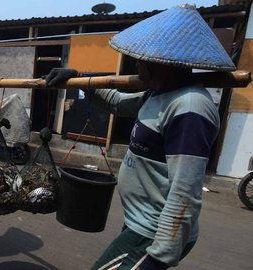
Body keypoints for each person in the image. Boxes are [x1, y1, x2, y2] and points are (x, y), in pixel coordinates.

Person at [45, 5, 234, 270]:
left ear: (162, 62)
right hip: (139, 224)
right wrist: (80, 77)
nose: (136, 64)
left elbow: (185, 190)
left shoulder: (189, 107)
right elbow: (117, 103)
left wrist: (160, 255)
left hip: (153, 234)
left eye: (141, 58)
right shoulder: (158, 94)